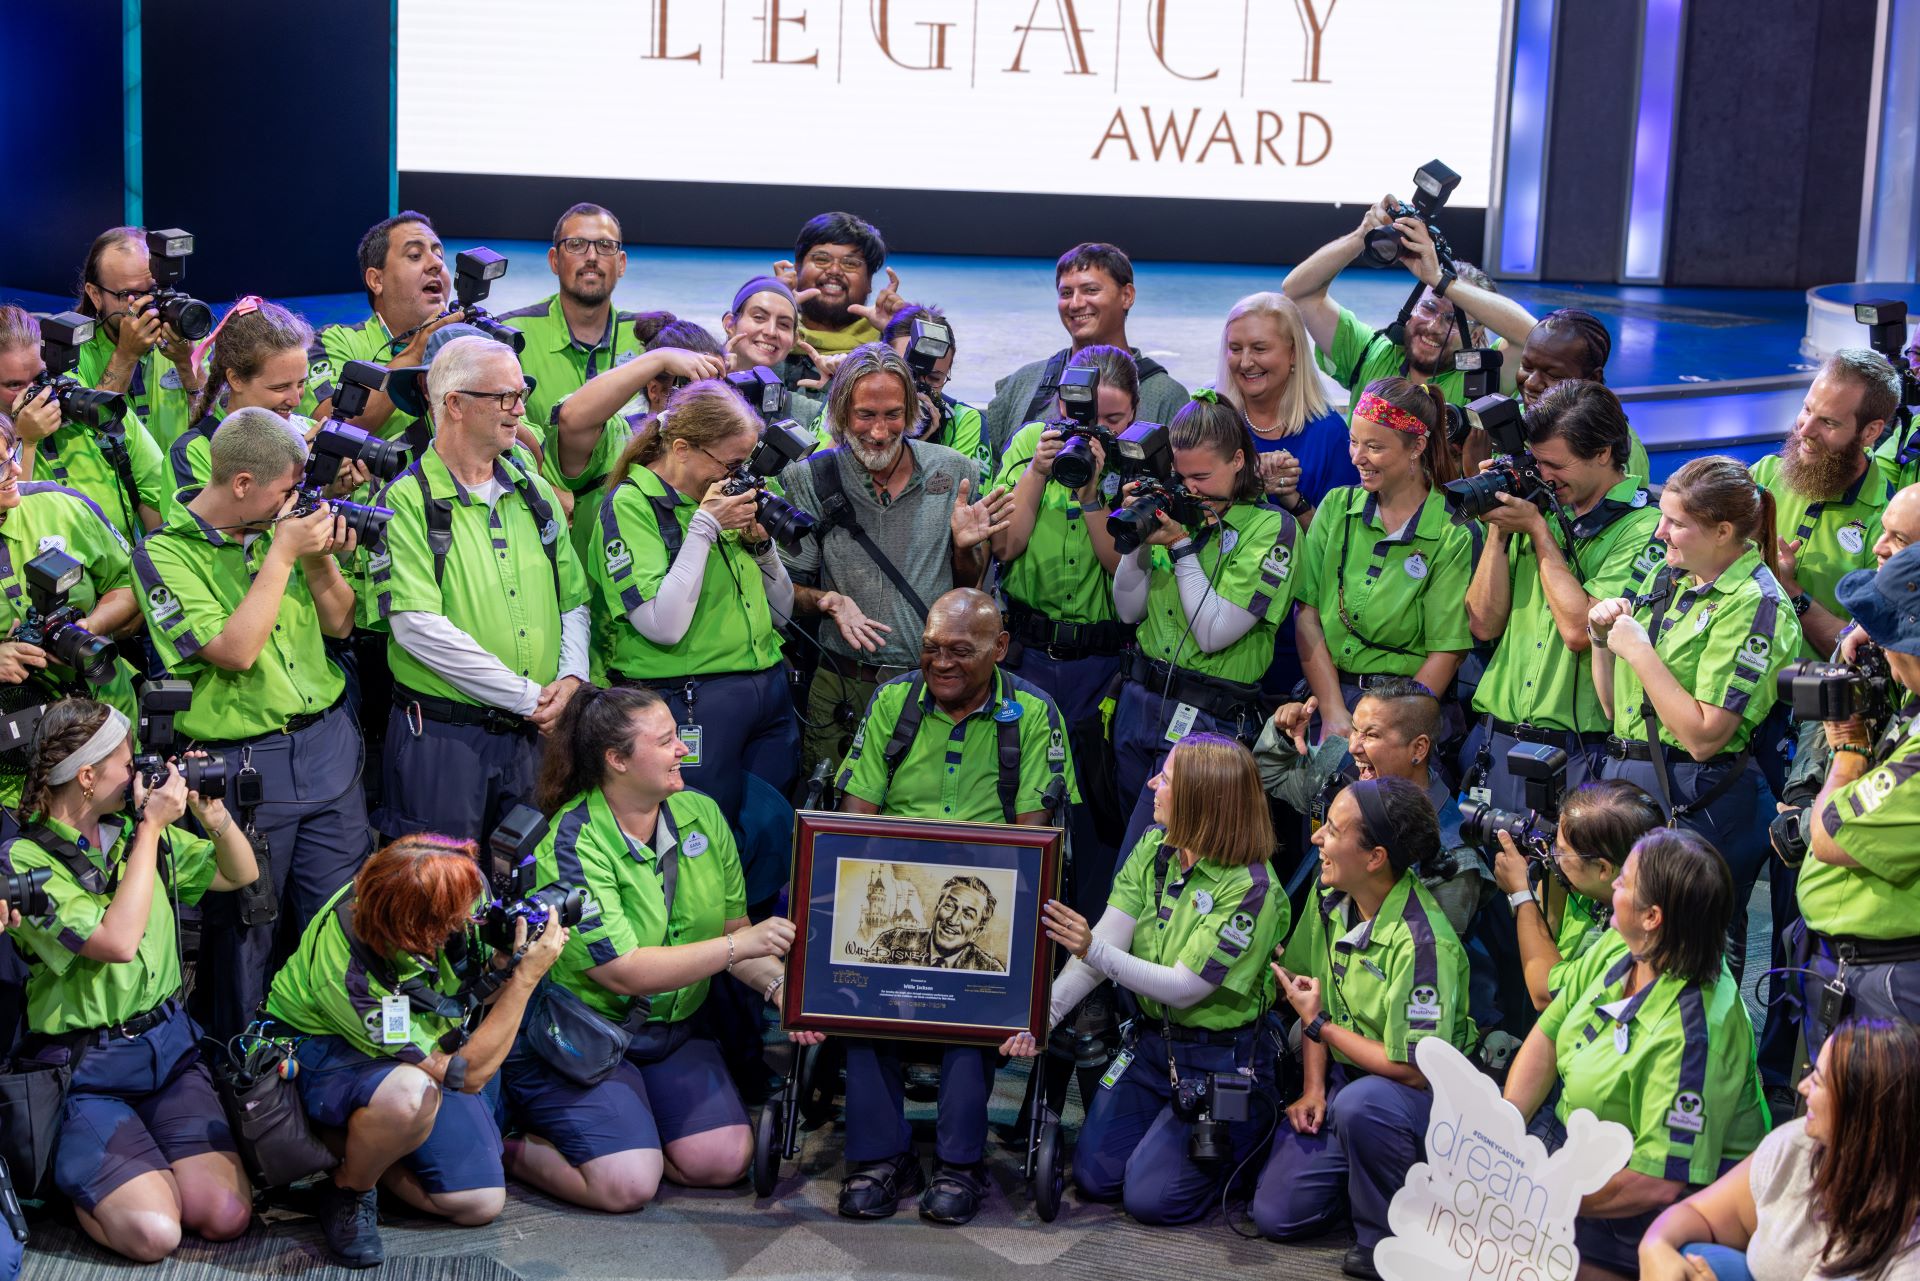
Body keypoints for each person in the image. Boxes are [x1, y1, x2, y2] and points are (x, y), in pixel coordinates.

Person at [503, 684, 801, 1212]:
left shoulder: (702, 815)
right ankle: (506, 1146)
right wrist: (736, 946)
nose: (683, 748)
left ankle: (629, 1124)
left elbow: (737, 931)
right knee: (629, 1184)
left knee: (724, 1161)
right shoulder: (571, 843)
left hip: (675, 1035)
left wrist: (782, 990)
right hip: (591, 1037)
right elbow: (623, 972)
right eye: (665, 741)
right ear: (617, 760)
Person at [832, 587, 1076, 1227]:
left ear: (999, 649)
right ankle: (880, 1159)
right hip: (898, 886)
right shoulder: (893, 701)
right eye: (931, 649)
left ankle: (958, 1164)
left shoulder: (1032, 711)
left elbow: (1030, 842)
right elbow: (853, 827)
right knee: (862, 985)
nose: (940, 663)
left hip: (987, 898)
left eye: (960, 652)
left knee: (971, 991)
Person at [133, 408, 372, 1041]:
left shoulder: (281, 532)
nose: (293, 504)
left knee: (342, 923)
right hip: (244, 770)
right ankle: (240, 1079)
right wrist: (286, 554)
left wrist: (318, 559)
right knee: (246, 938)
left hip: (326, 749)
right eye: (284, 491)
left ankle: (334, 1062)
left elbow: (341, 625)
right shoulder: (164, 553)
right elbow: (234, 651)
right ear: (241, 483)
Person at [0, 698, 259, 1261]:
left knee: (226, 1214)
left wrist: (214, 818)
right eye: (126, 762)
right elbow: (117, 942)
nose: (141, 771)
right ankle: (83, 1184)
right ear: (87, 777)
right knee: (155, 1233)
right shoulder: (23, 860)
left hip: (168, 1053)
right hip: (86, 1071)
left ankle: (141, 1161)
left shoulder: (135, 833)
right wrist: (150, 829)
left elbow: (239, 872)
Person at [264, 835, 566, 1267]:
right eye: (460, 914)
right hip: (324, 1047)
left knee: (478, 1203)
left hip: (431, 1035)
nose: (473, 915)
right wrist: (525, 979)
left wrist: (503, 964)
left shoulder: (451, 887)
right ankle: (349, 1184)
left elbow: (473, 995)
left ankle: (374, 1145)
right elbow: (465, 1073)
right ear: (418, 928)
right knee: (411, 1093)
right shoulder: (349, 973)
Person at [1041, 733, 1287, 1224]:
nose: (1153, 783)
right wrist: (1039, 1017)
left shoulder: (1251, 889)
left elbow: (1183, 986)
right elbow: (1104, 946)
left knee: (1150, 1201)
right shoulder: (1157, 847)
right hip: (1156, 1047)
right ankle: (1164, 1135)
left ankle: (1250, 1139)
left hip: (1220, 1060)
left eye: (1167, 778)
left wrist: (1094, 947)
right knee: (1093, 1177)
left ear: (1202, 799)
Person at [1503, 827, 1769, 1281]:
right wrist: (1501, 1139)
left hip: (1664, 1196)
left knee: (1517, 1250)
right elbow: (1547, 1036)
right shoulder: (1624, 943)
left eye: (1623, 882)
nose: (1613, 889)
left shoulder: (1696, 1034)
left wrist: (1540, 1199)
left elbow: (1658, 1181)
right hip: (1580, 1141)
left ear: (1652, 917)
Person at [1251, 777, 1477, 1280]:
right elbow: (1316, 993)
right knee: (1275, 1216)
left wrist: (1322, 1026)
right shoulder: (1335, 901)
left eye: (1330, 831)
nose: (1316, 840)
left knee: (1362, 1106)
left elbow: (1414, 1070)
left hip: (1420, 1100)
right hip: (1347, 1081)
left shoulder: (1423, 943)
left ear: (1375, 857)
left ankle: (1391, 1237)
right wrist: (1313, 1088)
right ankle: (1359, 1178)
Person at [369, 335, 590, 843]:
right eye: (505, 397)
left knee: (533, 891)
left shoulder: (534, 493)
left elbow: (572, 601)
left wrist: (572, 679)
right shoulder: (403, 501)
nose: (520, 410)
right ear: (455, 405)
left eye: (522, 392)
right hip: (447, 744)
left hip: (537, 735)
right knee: (444, 903)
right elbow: (416, 628)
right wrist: (531, 697)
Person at [1587, 456, 1800, 978]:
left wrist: (1639, 652)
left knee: (1690, 962)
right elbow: (1617, 709)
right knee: (1622, 952)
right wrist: (1601, 639)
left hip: (1700, 795)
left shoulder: (1755, 603)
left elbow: (1706, 735)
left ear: (1723, 531)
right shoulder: (1668, 576)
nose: (1660, 532)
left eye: (1676, 522)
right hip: (1631, 780)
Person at [777, 345, 1013, 778]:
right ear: (840, 412)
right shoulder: (809, 478)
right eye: (865, 415)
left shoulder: (955, 473)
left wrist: (964, 547)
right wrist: (829, 601)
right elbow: (782, 592)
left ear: (912, 411)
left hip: (931, 685)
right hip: (841, 688)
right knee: (833, 820)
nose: (880, 432)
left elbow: (969, 592)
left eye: (893, 415)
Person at [589, 379, 798, 827]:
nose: (739, 478)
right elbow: (663, 626)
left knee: (769, 832)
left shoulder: (725, 499)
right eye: (732, 464)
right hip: (692, 698)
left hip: (768, 690)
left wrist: (763, 548)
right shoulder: (633, 505)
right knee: (698, 831)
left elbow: (782, 615)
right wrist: (703, 527)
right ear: (682, 449)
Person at [1111, 398, 1300, 856]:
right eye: (1181, 476)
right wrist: (1135, 542)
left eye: (1202, 477)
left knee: (1146, 864)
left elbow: (1212, 633)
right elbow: (1128, 611)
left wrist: (1179, 545)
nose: (1190, 489)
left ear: (1238, 460)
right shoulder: (1176, 508)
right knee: (1135, 860)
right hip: (1138, 704)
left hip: (1206, 723)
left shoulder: (1271, 528)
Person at [1464, 381, 1665, 811]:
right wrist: (1499, 522)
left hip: (1578, 754)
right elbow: (1483, 622)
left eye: (1555, 464)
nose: (1545, 476)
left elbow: (1581, 630)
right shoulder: (1535, 506)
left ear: (1603, 452)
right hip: (1496, 739)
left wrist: (1538, 531)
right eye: (1537, 463)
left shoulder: (1647, 526)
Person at [991, 344, 1138, 905]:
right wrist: (1037, 470)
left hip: (1102, 669)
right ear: (1059, 405)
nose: (1094, 431)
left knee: (1097, 810)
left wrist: (1091, 490)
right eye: (1081, 416)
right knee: (1023, 797)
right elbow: (1005, 544)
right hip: (1030, 658)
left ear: (1135, 412)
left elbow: (1116, 566)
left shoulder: (1136, 458)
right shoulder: (1034, 443)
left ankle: (1092, 940)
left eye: (1113, 420)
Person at [1638, 1017, 1920, 1281]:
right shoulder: (1797, 1145)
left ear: (1859, 1111)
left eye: (1819, 1081)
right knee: (1688, 1253)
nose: (1802, 1087)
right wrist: (1655, 1246)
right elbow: (1697, 1214)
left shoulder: (1911, 1254)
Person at [1792, 540, 1920, 1051]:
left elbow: (1829, 835)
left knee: (1874, 1128)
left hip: (1890, 983)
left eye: (1891, 638)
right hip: (1862, 963)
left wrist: (1848, 749)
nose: (1883, 655)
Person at [1295, 377, 1471, 738]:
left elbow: (1447, 653)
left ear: (1416, 447)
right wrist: (1332, 711)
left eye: (1374, 447)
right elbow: (1307, 615)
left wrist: (1385, 732)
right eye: (1354, 442)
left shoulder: (1452, 533)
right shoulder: (1334, 507)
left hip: (1403, 712)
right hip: (1331, 701)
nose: (1358, 458)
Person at [1284, 196, 1534, 407]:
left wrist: (1438, 279)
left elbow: (1531, 336)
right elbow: (1299, 291)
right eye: (1428, 307)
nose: (1434, 326)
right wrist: (1362, 236)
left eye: (1453, 319)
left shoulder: (1486, 377)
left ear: (1478, 333)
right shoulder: (1368, 353)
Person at [0, 411, 143, 770]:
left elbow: (128, 581)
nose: (16, 471)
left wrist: (89, 627)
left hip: (110, 727)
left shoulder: (62, 506)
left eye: (13, 455)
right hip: (18, 760)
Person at [1751, 349, 1899, 664]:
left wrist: (1790, 591)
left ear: (1870, 432)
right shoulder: (1763, 474)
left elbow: (1869, 653)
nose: (1804, 430)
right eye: (1807, 409)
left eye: (1828, 422)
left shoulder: (1887, 524)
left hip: (1812, 705)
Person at [986, 242, 1191, 457]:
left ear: (1127, 295)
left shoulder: (1164, 395)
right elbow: (992, 470)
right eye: (1066, 293)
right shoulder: (1025, 381)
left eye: (1091, 290)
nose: (1075, 304)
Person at [0, 304, 168, 547]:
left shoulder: (95, 411)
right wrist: (26, 442)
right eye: (15, 385)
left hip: (125, 575)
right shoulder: (13, 447)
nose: (36, 395)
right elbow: (15, 535)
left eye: (40, 378)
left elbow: (158, 502)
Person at [1493, 779, 1665, 1011]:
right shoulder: (1596, 889)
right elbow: (1548, 933)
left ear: (1603, 869)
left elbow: (1546, 994)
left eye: (1561, 851)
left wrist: (1522, 894)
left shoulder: (1638, 939)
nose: (1552, 856)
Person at [304, 211, 468, 443]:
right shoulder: (334, 340)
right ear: (376, 281)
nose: (435, 264)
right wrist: (416, 352)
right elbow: (329, 426)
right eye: (414, 255)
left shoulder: (470, 346)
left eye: (439, 254)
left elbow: (525, 442)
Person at [497, 202, 663, 431]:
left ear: (621, 263)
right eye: (576, 244)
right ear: (554, 260)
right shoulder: (510, 334)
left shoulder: (649, 336)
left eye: (605, 245)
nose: (592, 256)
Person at [1213, 291, 1356, 520]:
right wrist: (1249, 481)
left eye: (1259, 349)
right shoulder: (1210, 416)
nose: (1246, 362)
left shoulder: (1330, 435)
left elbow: (1337, 545)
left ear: (1293, 353)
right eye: (1236, 348)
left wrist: (1291, 496)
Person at [71, 226, 201, 450]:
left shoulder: (186, 335)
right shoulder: (72, 355)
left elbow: (220, 427)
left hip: (184, 481)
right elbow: (89, 443)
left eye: (154, 290)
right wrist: (126, 355)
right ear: (95, 295)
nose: (147, 304)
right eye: (129, 295)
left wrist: (187, 366)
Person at [1515, 310, 1651, 481]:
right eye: (1526, 366)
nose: (1531, 383)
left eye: (1554, 375)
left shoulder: (1621, 453)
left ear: (1593, 378)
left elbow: (1623, 508)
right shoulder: (1510, 421)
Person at [771, 212, 903, 387]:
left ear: (869, 280)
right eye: (821, 259)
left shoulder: (887, 344)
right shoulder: (767, 337)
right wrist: (775, 308)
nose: (834, 270)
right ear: (797, 269)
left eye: (850, 263)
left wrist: (900, 333)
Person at [881, 305, 991, 484]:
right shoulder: (851, 404)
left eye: (933, 378)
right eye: (907, 373)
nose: (916, 390)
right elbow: (820, 480)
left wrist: (917, 448)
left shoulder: (963, 421)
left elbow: (960, 505)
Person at [721, 275, 825, 426]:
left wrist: (838, 386)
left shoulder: (802, 410)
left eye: (784, 324)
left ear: (794, 340)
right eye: (759, 317)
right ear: (730, 324)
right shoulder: (691, 379)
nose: (771, 332)